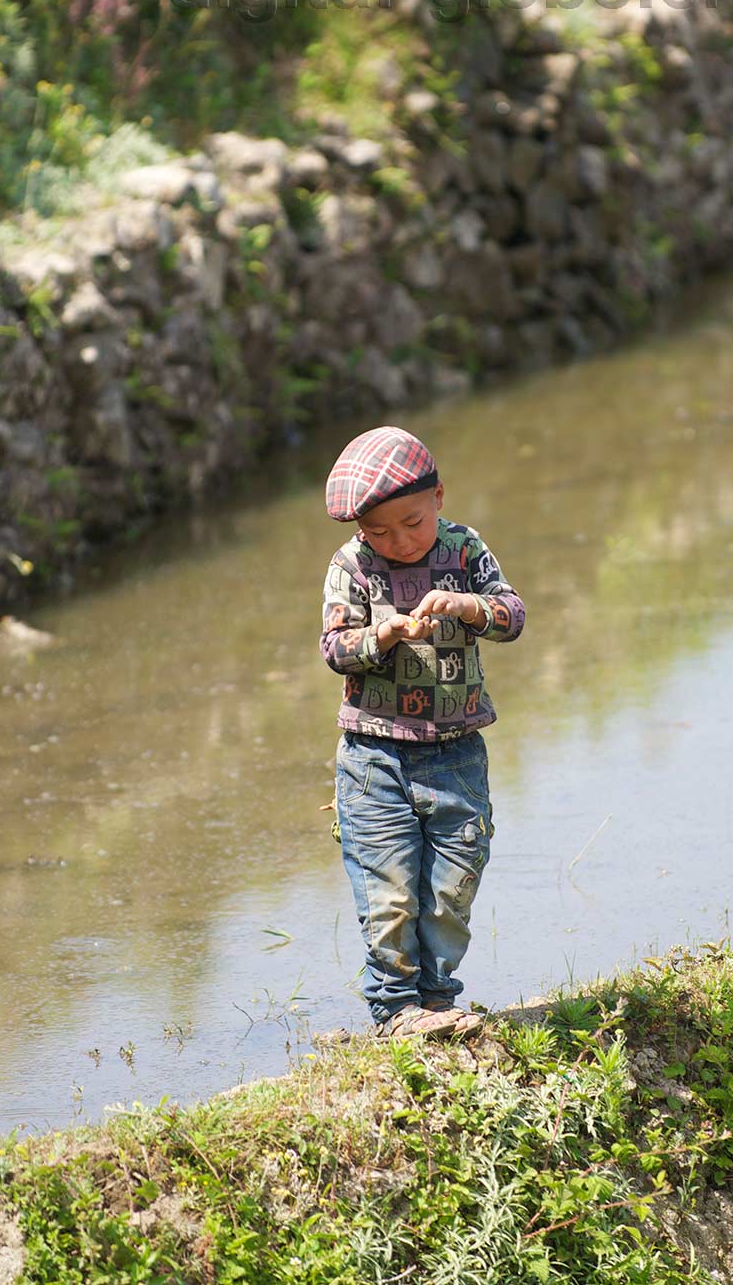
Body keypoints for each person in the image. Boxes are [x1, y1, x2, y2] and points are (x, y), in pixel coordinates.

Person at [319, 425, 526, 1039]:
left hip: (457, 752)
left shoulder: (464, 551)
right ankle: (393, 1011)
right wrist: (382, 635)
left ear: (439, 498)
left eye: (412, 522)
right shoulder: (352, 565)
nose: (398, 541)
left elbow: (511, 615)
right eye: (379, 531)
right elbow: (335, 648)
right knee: (388, 890)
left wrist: (468, 608)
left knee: (452, 886)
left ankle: (437, 1003)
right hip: (373, 754)